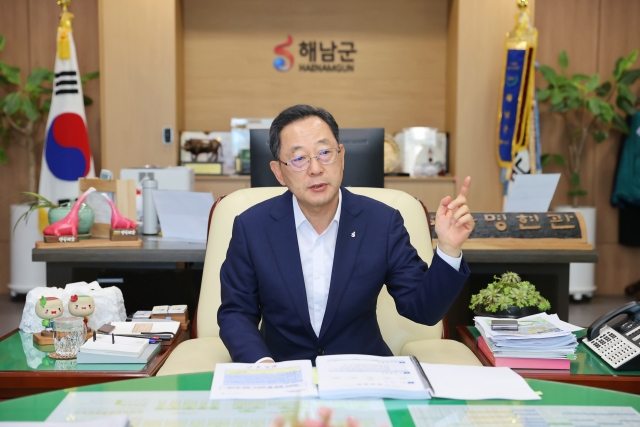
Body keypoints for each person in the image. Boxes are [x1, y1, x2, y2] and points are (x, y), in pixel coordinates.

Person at [218, 104, 475, 363]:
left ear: (341, 157)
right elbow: (236, 312)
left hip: (363, 373)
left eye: (324, 153)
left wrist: (449, 249)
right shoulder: (252, 227)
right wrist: (261, 364)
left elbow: (423, 310)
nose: (315, 169)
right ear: (278, 172)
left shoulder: (382, 223)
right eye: (299, 159)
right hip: (285, 372)